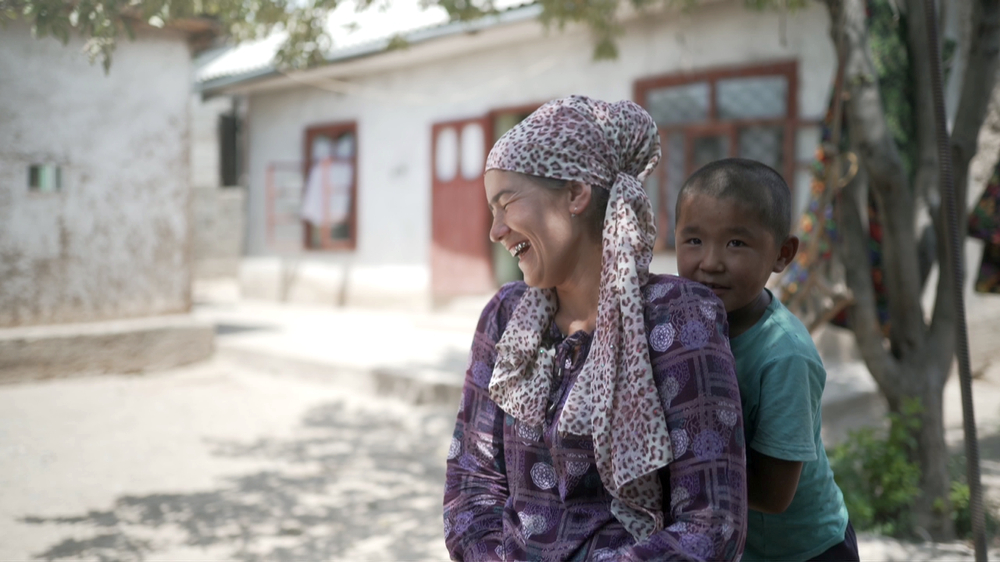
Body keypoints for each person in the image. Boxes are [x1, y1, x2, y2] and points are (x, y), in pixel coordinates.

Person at [443, 96, 747, 561]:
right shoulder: (505, 317)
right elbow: (471, 482)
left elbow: (712, 524)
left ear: (575, 194)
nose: (496, 230)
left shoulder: (679, 318)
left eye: (506, 204)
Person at [674, 158, 858, 562]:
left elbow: (774, 496)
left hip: (807, 551)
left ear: (782, 253)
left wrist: (669, 473)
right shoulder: (675, 325)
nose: (710, 262)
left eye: (736, 243)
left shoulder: (785, 355)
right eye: (693, 241)